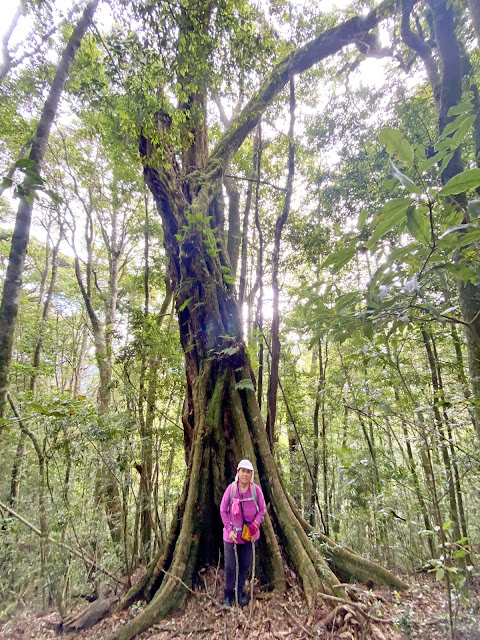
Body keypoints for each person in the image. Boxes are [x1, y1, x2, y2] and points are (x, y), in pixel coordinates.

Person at [219, 459, 265, 607]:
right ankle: (228, 594)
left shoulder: (255, 490)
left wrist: (256, 525)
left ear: (251, 474)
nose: (245, 474)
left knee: (244, 565)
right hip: (232, 535)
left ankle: (239, 592)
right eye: (242, 471)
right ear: (238, 472)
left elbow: (262, 509)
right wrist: (229, 529)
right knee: (230, 566)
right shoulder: (231, 489)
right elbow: (223, 509)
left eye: (248, 472)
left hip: (249, 535)